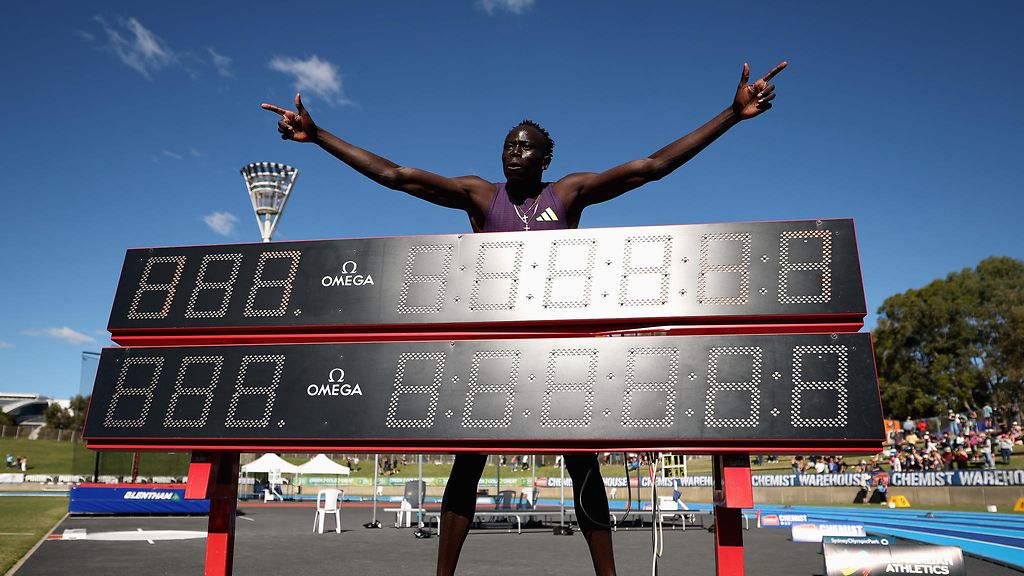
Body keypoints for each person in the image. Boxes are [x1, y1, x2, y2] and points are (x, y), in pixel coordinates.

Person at [264, 60, 787, 576]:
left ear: (545, 157)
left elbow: (650, 167)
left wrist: (731, 115)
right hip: (493, 357)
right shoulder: (479, 196)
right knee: (467, 465)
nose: (511, 152)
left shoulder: (568, 194)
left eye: (523, 146)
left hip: (559, 356)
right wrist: (320, 135)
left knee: (582, 467)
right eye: (507, 145)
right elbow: (397, 176)